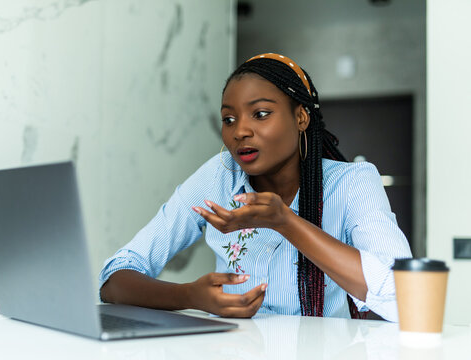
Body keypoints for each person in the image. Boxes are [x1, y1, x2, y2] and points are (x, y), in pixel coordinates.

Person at [98, 53, 411, 321]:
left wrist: (285, 222)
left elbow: (404, 298)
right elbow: (115, 279)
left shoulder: (352, 183)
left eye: (261, 114)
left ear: (301, 117)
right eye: (229, 119)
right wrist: (191, 295)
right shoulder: (218, 177)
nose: (240, 131)